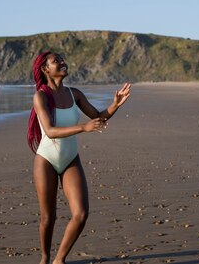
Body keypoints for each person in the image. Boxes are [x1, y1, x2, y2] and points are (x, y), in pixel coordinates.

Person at [27, 51, 131, 264]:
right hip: (46, 159)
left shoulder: (75, 94)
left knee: (81, 214)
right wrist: (83, 127)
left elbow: (98, 117)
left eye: (63, 59)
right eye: (57, 61)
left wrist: (115, 105)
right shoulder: (41, 96)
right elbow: (50, 131)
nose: (63, 63)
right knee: (48, 219)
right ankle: (44, 258)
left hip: (70, 159)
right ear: (46, 69)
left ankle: (59, 260)